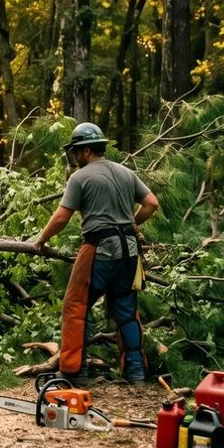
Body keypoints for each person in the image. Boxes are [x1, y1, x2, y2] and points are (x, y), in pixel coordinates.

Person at [32, 122, 161, 384]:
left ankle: (73, 371)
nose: (74, 157)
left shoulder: (79, 178)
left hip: (100, 248)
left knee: (76, 306)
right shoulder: (126, 173)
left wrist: (41, 239)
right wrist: (133, 224)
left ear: (86, 150)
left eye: (76, 151)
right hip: (129, 251)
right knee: (125, 309)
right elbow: (151, 204)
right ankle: (135, 373)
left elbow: (60, 217)